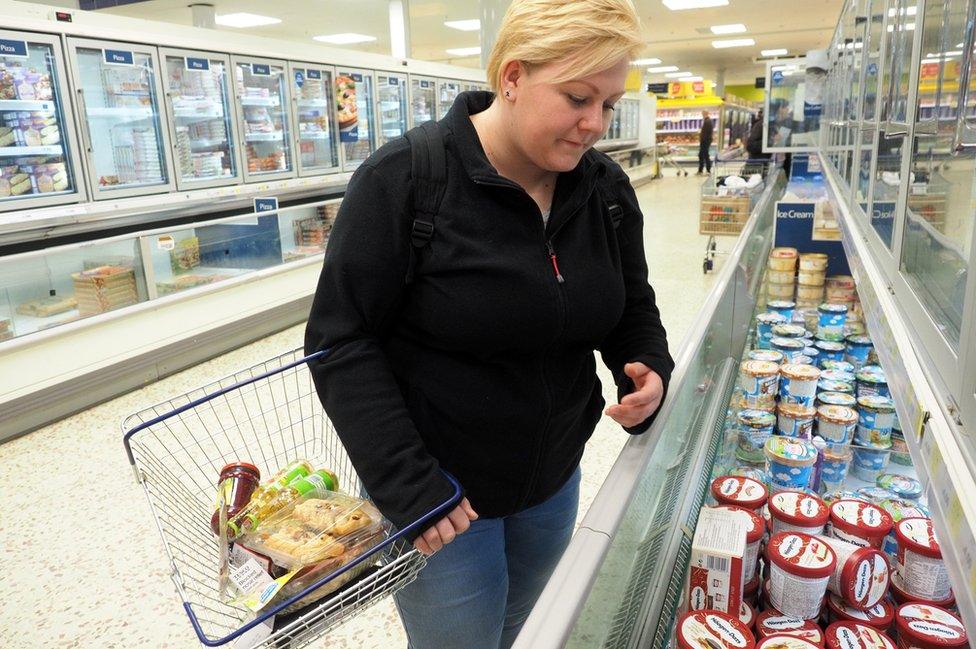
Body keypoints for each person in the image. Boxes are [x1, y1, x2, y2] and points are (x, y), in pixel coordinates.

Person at [304, 0, 674, 647]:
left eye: (609, 104)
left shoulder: (605, 191)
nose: (595, 124)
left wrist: (644, 361)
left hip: (552, 480)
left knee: (527, 631)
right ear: (511, 77)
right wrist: (410, 485)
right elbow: (341, 338)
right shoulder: (406, 181)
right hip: (441, 501)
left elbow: (631, 300)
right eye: (577, 98)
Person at [697, 109, 714, 175]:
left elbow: (706, 133)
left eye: (703, 113)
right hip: (706, 141)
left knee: (705, 155)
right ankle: (701, 170)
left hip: (705, 141)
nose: (702, 115)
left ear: (705, 113)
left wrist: (700, 135)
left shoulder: (707, 121)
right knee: (702, 155)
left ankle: (707, 170)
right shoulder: (707, 121)